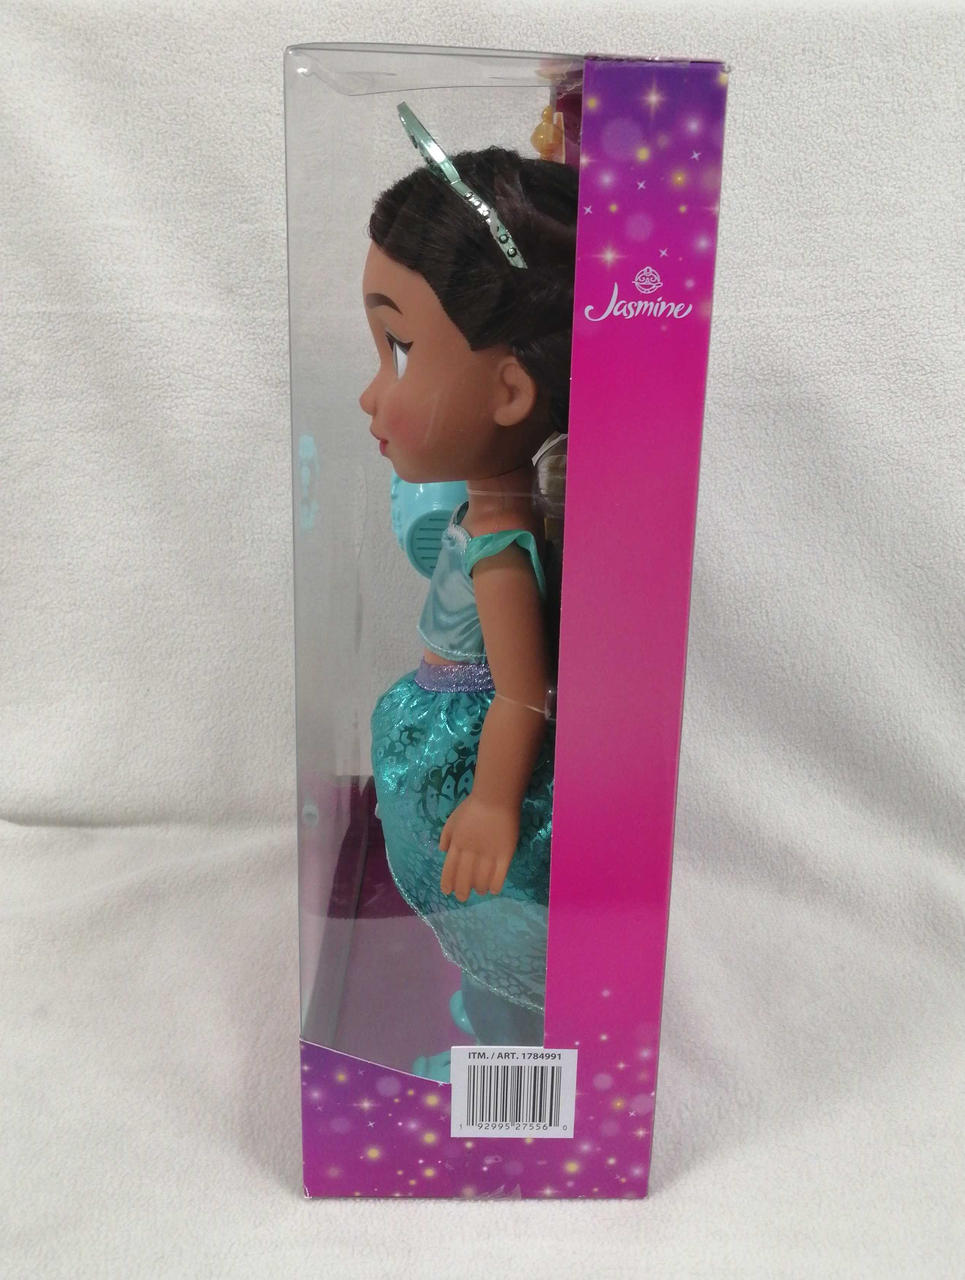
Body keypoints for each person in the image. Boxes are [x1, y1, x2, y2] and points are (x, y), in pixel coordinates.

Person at [359, 105, 577, 1079]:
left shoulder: (499, 547)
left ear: (510, 393)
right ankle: (489, 1006)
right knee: (469, 907)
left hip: (466, 738)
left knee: (482, 896)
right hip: (440, 713)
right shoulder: (480, 518)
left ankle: (508, 1040)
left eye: (399, 351)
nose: (371, 392)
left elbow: (524, 693)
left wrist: (490, 802)